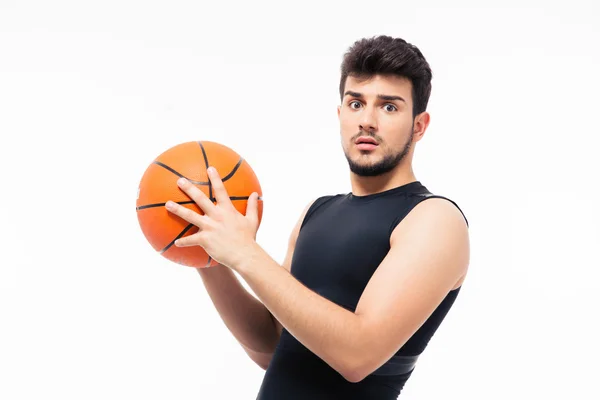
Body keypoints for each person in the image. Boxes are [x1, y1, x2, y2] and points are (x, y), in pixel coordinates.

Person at [164, 35, 470, 399]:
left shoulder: (435, 219)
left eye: (389, 107)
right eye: (356, 103)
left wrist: (245, 253)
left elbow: (357, 355)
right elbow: (270, 346)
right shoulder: (318, 212)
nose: (367, 121)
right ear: (340, 114)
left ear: (419, 125)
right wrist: (211, 254)